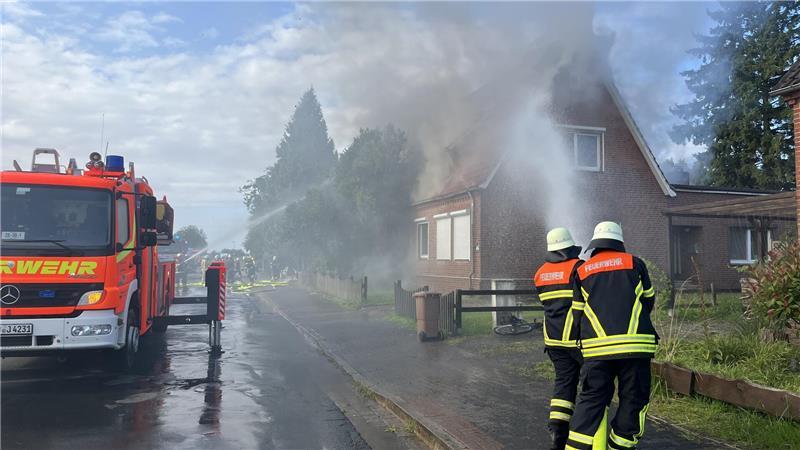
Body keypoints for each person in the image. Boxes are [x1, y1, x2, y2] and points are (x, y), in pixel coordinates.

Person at [566, 222, 658, 450]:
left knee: (591, 401)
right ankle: (620, 446)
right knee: (633, 400)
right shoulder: (635, 264)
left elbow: (577, 313)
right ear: (619, 243)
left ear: (594, 246)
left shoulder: (582, 270)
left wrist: (577, 346)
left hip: (597, 351)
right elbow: (649, 301)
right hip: (636, 348)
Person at [533, 227, 584, 450]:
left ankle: (557, 430)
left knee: (564, 384)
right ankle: (586, 433)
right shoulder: (578, 268)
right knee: (593, 387)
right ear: (569, 246)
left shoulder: (540, 273)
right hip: (577, 339)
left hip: (553, 340)